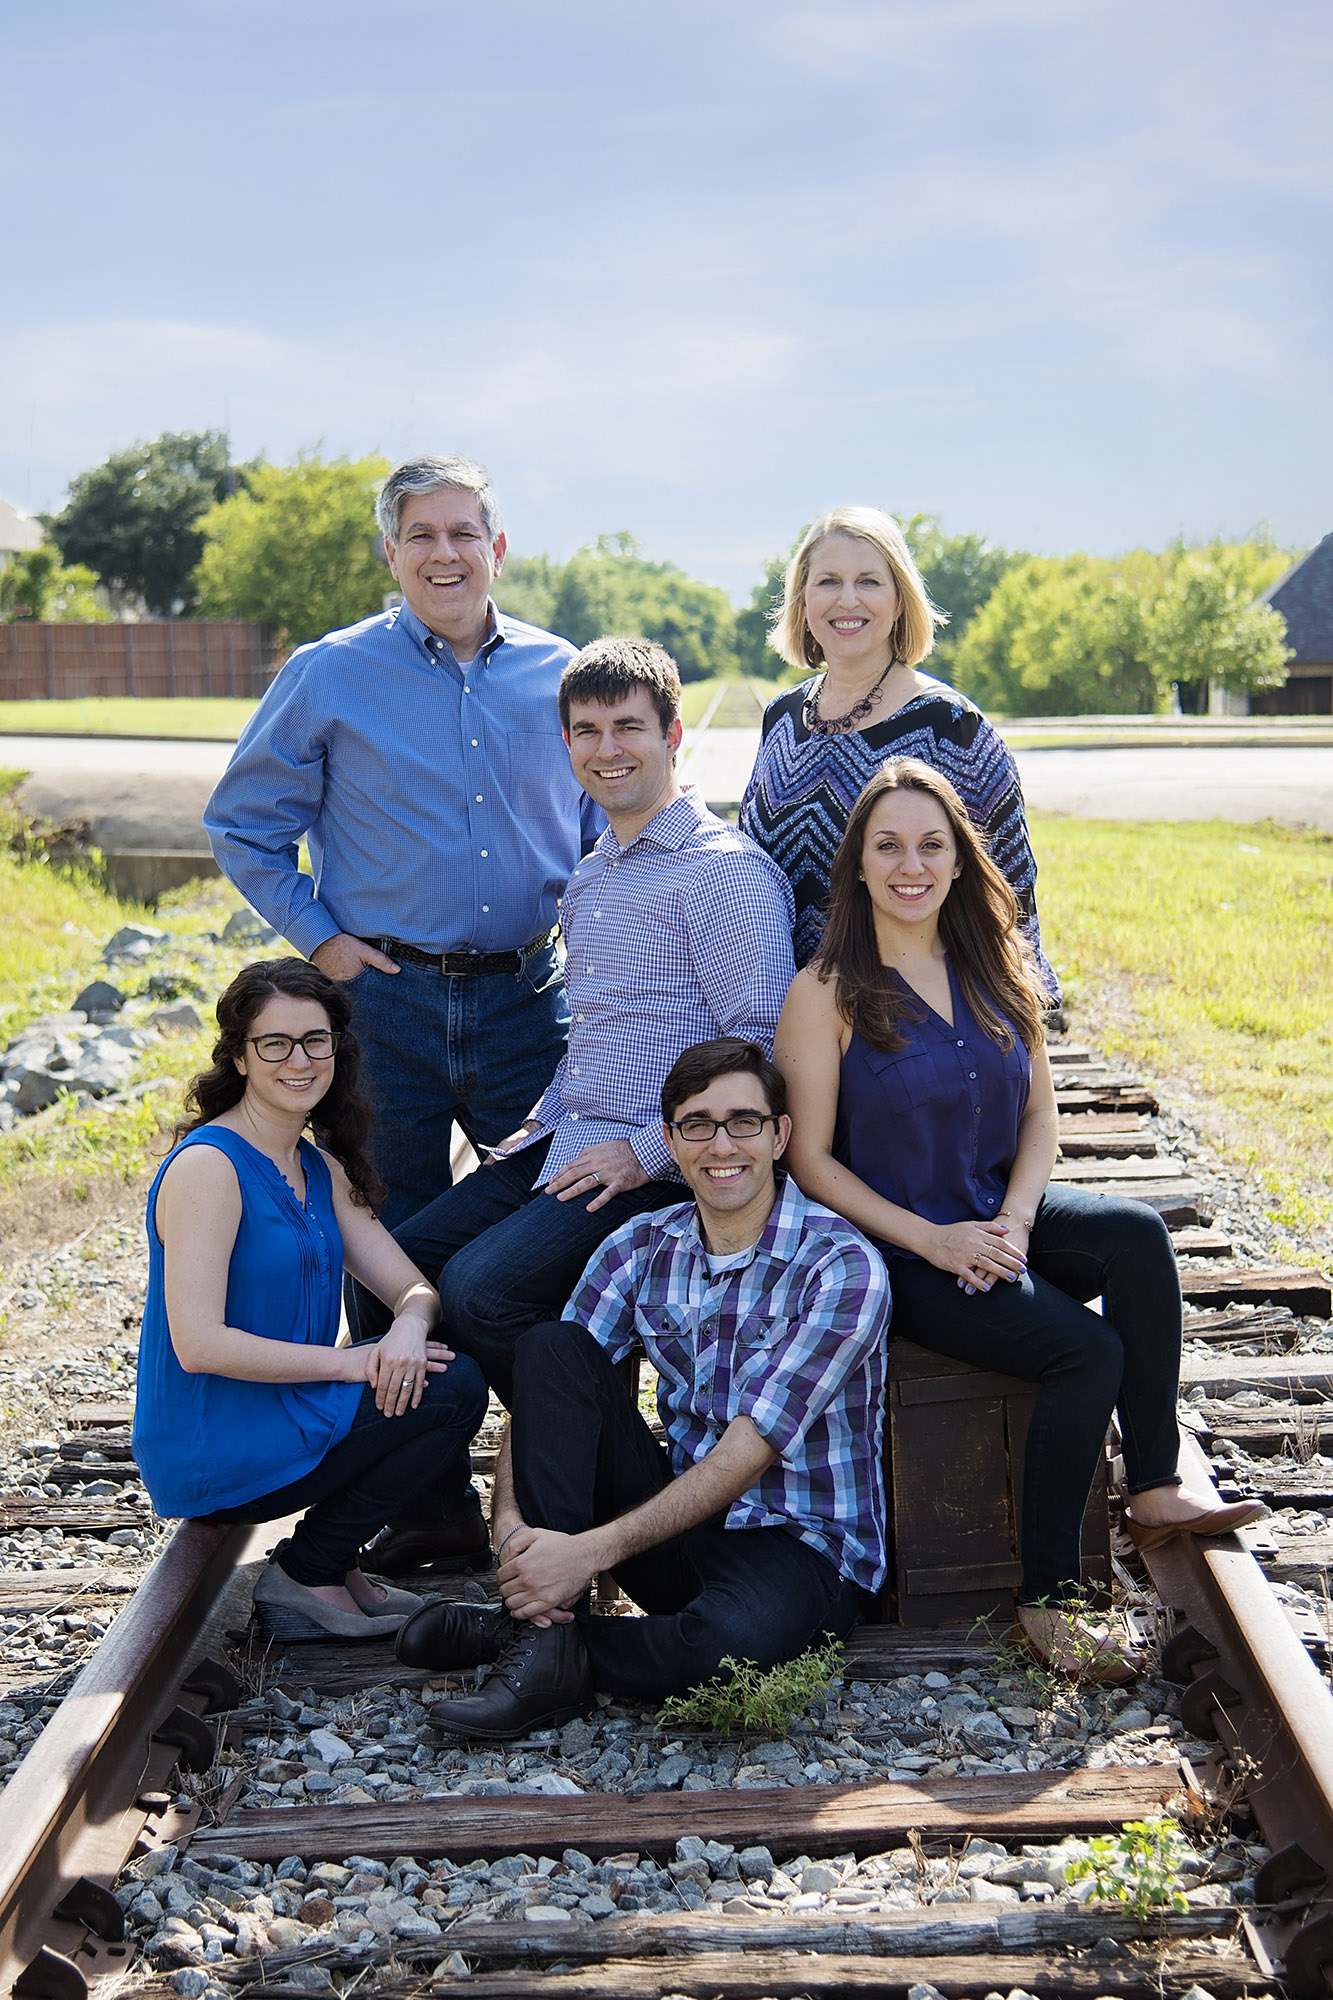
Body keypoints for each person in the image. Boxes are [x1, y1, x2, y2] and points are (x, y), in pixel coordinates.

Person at [773, 758, 1266, 1680]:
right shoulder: (826, 990)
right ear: (857, 866)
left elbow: (1041, 1115)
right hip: (900, 1250)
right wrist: (934, 1240)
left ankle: (1153, 1486)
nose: (909, 864)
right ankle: (1050, 1600)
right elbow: (810, 1162)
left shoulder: (996, 962)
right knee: (1085, 1351)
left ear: (960, 861)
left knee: (1135, 1236)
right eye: (887, 847)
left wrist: (1015, 1223)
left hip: (991, 1220)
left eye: (931, 845)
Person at [349, 639, 796, 1573]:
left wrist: (645, 1152)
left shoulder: (724, 874)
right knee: (386, 1265)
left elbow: (756, 1052)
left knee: (483, 1294)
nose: (608, 748)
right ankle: (434, 1501)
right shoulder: (594, 874)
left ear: (673, 736)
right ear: (567, 744)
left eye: (629, 726)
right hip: (566, 1136)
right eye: (586, 731)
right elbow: (599, 1030)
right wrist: (538, 1119)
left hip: (656, 1161)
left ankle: (610, 1478)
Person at [395, 1037, 890, 1737]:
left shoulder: (840, 1266)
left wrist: (589, 1554)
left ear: (780, 1135)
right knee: (551, 1345)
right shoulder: (639, 1245)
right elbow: (549, 1393)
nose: (721, 1145)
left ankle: (536, 1642)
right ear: (669, 1141)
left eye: (742, 1122)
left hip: (799, 1547)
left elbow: (750, 1451)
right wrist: (513, 1533)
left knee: (730, 1650)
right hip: (677, 1527)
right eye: (697, 1125)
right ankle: (544, 1629)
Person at [204, 454, 599, 1232]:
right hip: (384, 1005)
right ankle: (387, 1358)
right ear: (391, 553)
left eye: (462, 532)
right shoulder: (328, 672)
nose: (443, 553)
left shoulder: (563, 672)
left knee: (552, 1222)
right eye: (420, 534)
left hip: (528, 1002)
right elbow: (243, 825)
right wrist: (322, 944)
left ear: (498, 547)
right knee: (382, 1227)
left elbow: (601, 832)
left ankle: (526, 1361)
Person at [131, 959, 487, 1642]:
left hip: (287, 1415)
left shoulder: (316, 1165)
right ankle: (311, 1568)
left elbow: (411, 1286)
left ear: (337, 1049)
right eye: (275, 1043)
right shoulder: (209, 1167)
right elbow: (198, 1342)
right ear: (238, 1056)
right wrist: (353, 1364)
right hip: (220, 1441)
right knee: (450, 1388)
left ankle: (328, 1566)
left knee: (442, 1371)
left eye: (315, 1040)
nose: (299, 1060)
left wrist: (409, 1328)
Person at [739, 506, 1057, 993]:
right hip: (784, 1012)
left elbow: (1012, 893)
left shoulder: (950, 726)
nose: (847, 600)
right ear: (802, 600)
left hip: (904, 1022)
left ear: (900, 600)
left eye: (868, 581)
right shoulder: (780, 718)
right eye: (827, 582)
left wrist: (1016, 1030)